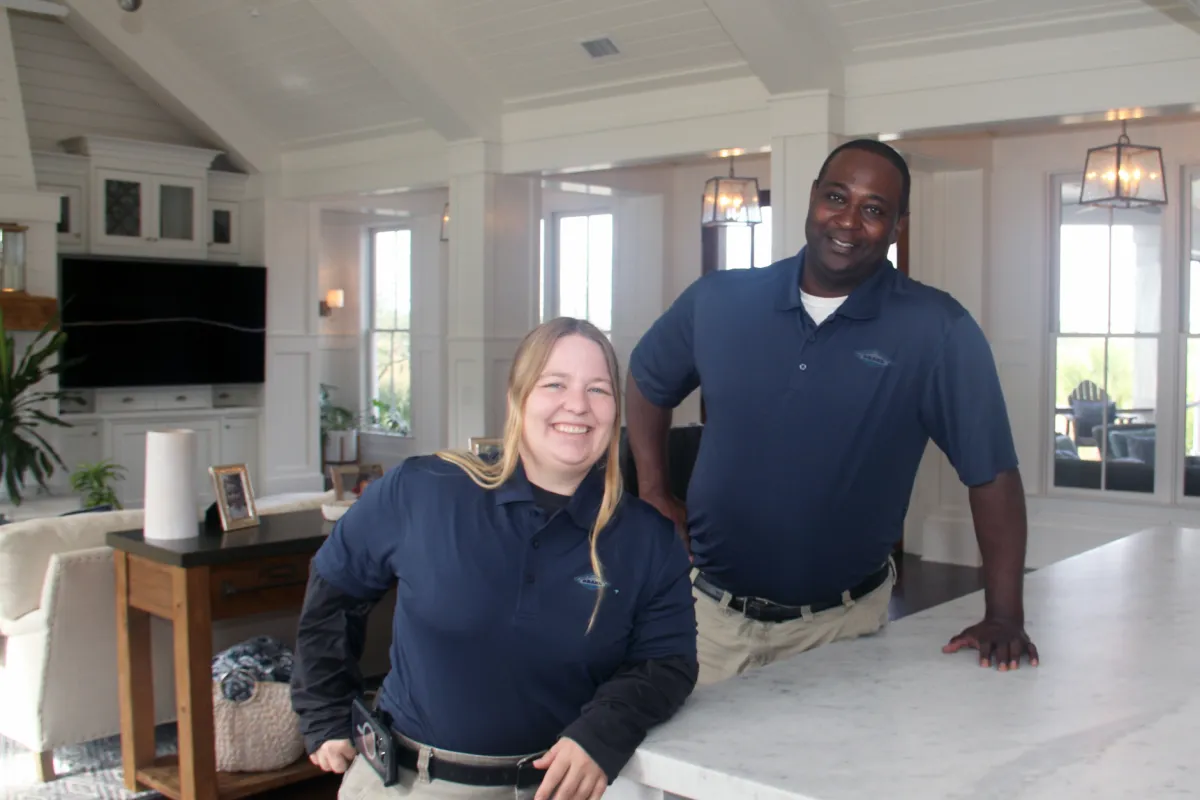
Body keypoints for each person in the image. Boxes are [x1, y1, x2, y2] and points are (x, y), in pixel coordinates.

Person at [625, 138, 1039, 686]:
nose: (848, 221)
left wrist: (1005, 614)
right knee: (682, 770)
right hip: (704, 619)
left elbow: (992, 473)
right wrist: (653, 489)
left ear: (897, 227)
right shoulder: (719, 300)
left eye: (874, 210)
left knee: (825, 772)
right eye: (836, 198)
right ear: (812, 199)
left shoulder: (936, 330)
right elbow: (647, 379)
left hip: (840, 630)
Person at [291, 317, 698, 800]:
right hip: (410, 784)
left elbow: (666, 664)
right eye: (555, 384)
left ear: (615, 411)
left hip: (559, 790)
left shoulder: (647, 538)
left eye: (598, 389)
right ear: (516, 399)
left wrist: (603, 732)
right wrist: (323, 708)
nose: (577, 405)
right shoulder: (423, 491)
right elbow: (335, 588)